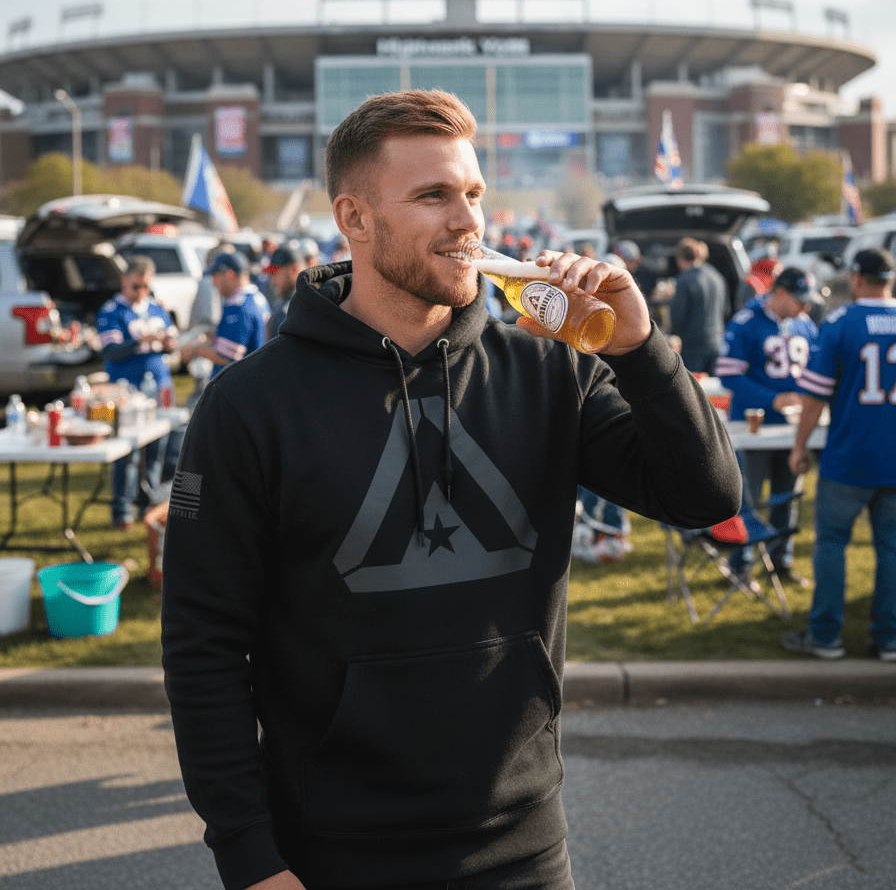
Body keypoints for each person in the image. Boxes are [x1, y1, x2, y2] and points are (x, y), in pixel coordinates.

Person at [161, 89, 741, 890]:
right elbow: (203, 646)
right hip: (328, 852)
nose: (468, 220)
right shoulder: (250, 406)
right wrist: (250, 857)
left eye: (472, 193)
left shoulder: (551, 369)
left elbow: (705, 496)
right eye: (433, 196)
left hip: (525, 846)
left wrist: (640, 348)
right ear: (355, 220)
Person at [784, 247, 896, 661]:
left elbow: (813, 398)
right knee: (892, 549)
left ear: (856, 278)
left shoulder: (840, 323)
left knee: (831, 544)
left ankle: (826, 635)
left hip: (850, 455)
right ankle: (889, 638)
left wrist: (799, 446)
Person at [715, 266, 819, 584]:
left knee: (788, 495)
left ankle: (781, 561)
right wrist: (771, 399)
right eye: (801, 299)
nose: (807, 307)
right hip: (754, 425)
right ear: (781, 293)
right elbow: (729, 374)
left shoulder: (804, 324)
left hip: (793, 427)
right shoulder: (746, 322)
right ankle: (741, 563)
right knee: (748, 495)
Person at [96, 256, 177, 528]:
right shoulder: (111, 310)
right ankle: (122, 511)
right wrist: (139, 341)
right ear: (123, 281)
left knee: (156, 450)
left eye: (145, 286)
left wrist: (168, 342)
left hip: (159, 383)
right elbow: (110, 350)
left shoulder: (155, 307)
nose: (141, 292)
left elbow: (172, 340)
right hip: (127, 388)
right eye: (135, 286)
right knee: (127, 452)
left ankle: (148, 505)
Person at [180, 250, 270, 378]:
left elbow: (229, 356)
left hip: (239, 383)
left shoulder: (239, 305)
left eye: (215, 276)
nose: (213, 283)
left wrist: (195, 350)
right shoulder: (257, 297)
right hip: (255, 376)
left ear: (229, 274)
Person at [668, 237, 727, 374]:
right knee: (714, 392)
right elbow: (726, 310)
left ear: (680, 258)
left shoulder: (683, 281)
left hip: (692, 347)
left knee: (692, 391)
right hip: (716, 342)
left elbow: (678, 317)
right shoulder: (717, 277)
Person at [263, 241, 316, 340]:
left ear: (294, 269)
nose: (272, 280)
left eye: (276, 273)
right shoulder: (287, 301)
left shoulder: (296, 307)